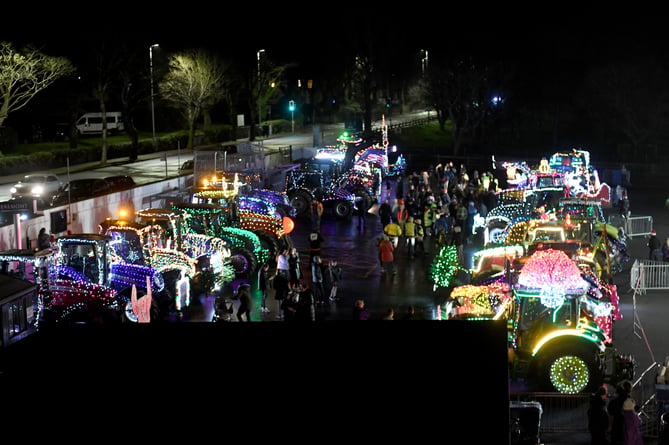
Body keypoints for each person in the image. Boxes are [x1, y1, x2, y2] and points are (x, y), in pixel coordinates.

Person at [608, 380, 633, 445]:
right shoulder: (626, 399)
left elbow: (610, 409)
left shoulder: (617, 397)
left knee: (616, 438)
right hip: (623, 422)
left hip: (617, 421)